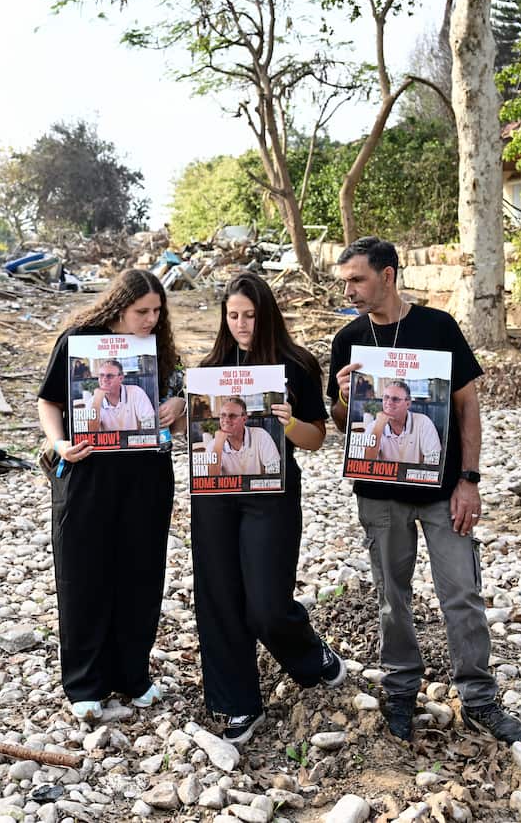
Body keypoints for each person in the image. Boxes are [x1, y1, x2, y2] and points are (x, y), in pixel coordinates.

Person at [328, 236, 521, 744]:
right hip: (378, 491)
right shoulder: (347, 340)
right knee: (391, 596)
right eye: (345, 281)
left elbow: (467, 406)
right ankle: (400, 691)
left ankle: (480, 701)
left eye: (358, 279)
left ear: (388, 275)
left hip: (443, 491)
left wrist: (469, 479)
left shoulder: (438, 327)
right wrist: (343, 398)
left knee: (461, 591)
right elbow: (339, 423)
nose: (349, 290)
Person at [191, 271, 345, 746]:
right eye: (233, 315)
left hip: (273, 496)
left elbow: (317, 438)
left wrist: (291, 421)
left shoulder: (295, 363)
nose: (241, 324)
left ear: (268, 315)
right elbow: (197, 442)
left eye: (251, 315)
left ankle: (309, 653)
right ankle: (237, 704)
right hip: (215, 496)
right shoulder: (210, 368)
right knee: (219, 597)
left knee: (265, 604)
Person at [36, 269, 186, 720]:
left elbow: (178, 420)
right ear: (119, 307)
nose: (151, 320)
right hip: (87, 476)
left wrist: (179, 406)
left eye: (158, 312)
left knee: (140, 574)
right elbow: (49, 401)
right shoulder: (78, 341)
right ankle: (85, 682)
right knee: (83, 574)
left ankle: (133, 675)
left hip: (146, 479)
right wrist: (61, 444)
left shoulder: (162, 353)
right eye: (143, 311)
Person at [363, 380, 443, 464]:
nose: (389, 402)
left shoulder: (423, 422)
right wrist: (379, 427)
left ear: (408, 404)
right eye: (386, 397)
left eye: (395, 399)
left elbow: (435, 459)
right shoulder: (374, 426)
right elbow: (365, 462)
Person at [205, 396, 282, 476]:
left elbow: (275, 472)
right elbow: (211, 481)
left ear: (244, 419)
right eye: (223, 415)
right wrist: (218, 446)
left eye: (232, 416)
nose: (226, 420)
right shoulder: (213, 445)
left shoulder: (261, 436)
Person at [87, 358, 156, 432]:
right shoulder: (93, 402)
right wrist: (97, 402)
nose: (104, 379)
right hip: (109, 443)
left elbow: (150, 424)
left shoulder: (136, 392)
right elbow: (91, 434)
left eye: (109, 376)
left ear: (121, 378)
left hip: (134, 441)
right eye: (101, 375)